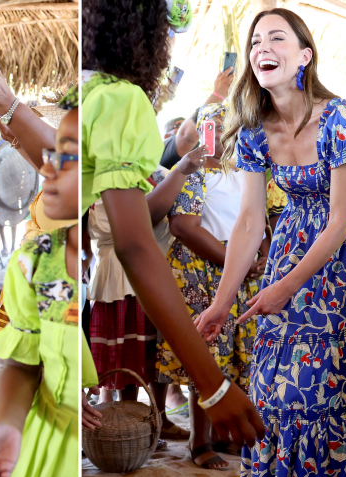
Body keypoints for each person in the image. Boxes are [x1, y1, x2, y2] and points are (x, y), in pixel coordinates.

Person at [193, 9, 346, 477]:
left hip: (339, 269)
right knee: (279, 394)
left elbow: (342, 218)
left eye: (277, 37)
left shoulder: (342, 120)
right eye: (256, 39)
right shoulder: (254, 134)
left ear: (304, 56)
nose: (263, 45)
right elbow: (247, 222)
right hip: (286, 259)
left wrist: (285, 286)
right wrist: (223, 300)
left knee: (325, 393)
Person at [81, 0, 266, 449]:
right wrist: (213, 384)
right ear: (144, 34)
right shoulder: (118, 99)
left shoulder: (85, 89)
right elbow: (137, 245)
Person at [0, 91, 87, 477]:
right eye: (50, 153)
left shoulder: (122, 269)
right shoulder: (43, 263)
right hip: (55, 458)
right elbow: (25, 366)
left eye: (68, 155)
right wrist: (8, 422)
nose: (48, 165)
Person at [155, 103, 269, 469]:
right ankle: (199, 440)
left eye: (225, 128)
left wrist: (262, 254)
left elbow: (258, 220)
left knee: (240, 352)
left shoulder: (245, 173)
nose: (218, 135)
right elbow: (183, 226)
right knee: (207, 353)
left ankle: (226, 435)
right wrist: (235, 261)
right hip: (201, 269)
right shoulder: (194, 173)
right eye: (211, 127)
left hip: (241, 271)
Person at [88, 145, 208, 441]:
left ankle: (158, 418)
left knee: (155, 351)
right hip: (121, 274)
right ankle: (128, 421)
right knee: (127, 355)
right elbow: (127, 226)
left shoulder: (160, 173)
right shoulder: (107, 175)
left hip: (156, 269)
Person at [160, 69, 234, 169]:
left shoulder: (206, 157)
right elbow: (187, 136)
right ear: (167, 136)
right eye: (180, 126)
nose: (196, 128)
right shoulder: (162, 150)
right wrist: (218, 94)